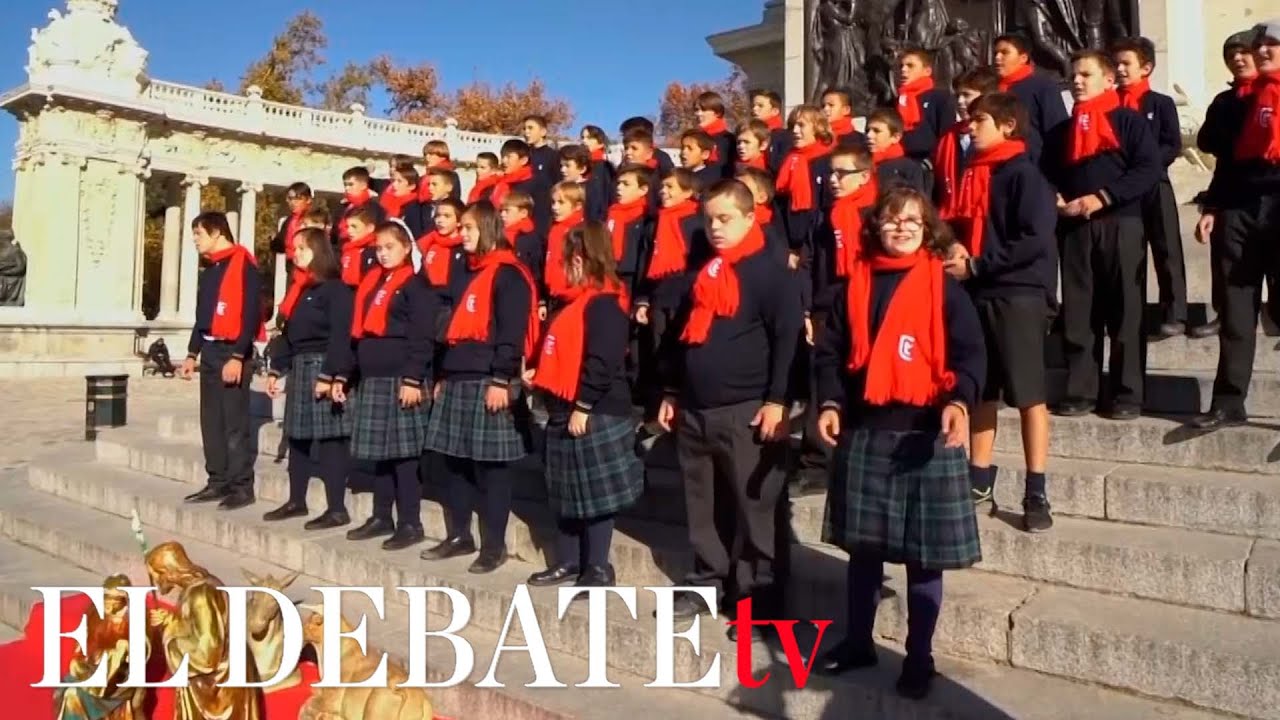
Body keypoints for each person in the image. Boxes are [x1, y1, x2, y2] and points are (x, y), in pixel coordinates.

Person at [811, 187, 986, 701]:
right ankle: (860, 641)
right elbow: (830, 354)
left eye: (912, 220)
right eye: (891, 220)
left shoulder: (946, 289)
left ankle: (919, 657)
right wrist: (830, 404)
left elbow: (972, 354)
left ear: (927, 228)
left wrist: (958, 402)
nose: (902, 227)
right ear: (875, 227)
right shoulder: (853, 286)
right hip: (866, 432)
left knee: (922, 559)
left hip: (924, 437)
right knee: (862, 553)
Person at [656, 179, 803, 623]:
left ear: (750, 216)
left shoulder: (772, 271)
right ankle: (707, 580)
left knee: (757, 508)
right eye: (709, 220)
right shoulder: (706, 273)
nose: (716, 228)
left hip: (748, 410)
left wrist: (778, 401)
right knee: (703, 505)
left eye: (726, 219)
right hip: (697, 410)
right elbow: (683, 339)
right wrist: (671, 392)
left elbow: (788, 338)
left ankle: (760, 596)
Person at [941, 92, 1057, 530]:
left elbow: (1034, 238)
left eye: (981, 120)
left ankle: (1036, 489)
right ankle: (979, 478)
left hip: (1019, 293)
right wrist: (955, 246)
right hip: (977, 291)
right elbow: (962, 224)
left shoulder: (1023, 174)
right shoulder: (972, 174)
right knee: (981, 391)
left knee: (1029, 394)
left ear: (1008, 125)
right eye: (970, 120)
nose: (971, 127)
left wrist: (978, 263)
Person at [421, 201, 540, 574]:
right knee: (455, 463)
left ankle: (494, 544)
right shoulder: (463, 271)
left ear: (488, 229)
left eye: (470, 228)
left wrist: (502, 379)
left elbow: (511, 333)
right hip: (457, 374)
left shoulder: (509, 275)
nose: (463, 234)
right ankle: (460, 535)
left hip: (490, 379)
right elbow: (451, 327)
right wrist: (442, 374)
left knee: (493, 469)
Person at [1043, 50, 1160, 420]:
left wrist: (1103, 198)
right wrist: (1056, 198)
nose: (1076, 81)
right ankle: (1081, 390)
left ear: (1108, 80)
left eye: (1085, 75)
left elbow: (1148, 169)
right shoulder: (1062, 131)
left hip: (1121, 224)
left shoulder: (1129, 122)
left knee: (1125, 309)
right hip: (1076, 228)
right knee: (1079, 312)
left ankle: (1127, 393)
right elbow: (1045, 172)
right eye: (1073, 75)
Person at [527, 222, 643, 589]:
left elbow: (603, 360)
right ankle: (568, 561)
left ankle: (597, 567)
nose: (564, 267)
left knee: (594, 496)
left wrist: (584, 404)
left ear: (581, 259)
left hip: (595, 409)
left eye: (568, 261)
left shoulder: (605, 304)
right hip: (564, 407)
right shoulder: (573, 302)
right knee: (565, 491)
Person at [1194, 21, 1280, 430]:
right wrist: (1214, 205)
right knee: (1236, 308)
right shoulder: (1233, 102)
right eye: (1257, 45)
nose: (1260, 52)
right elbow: (1221, 155)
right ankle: (1228, 402)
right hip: (1240, 207)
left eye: (1269, 45)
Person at [333, 221, 439, 549]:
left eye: (389, 247)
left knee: (404, 456)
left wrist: (412, 378)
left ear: (406, 248)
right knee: (381, 453)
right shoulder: (373, 283)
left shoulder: (417, 286)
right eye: (378, 248)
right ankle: (381, 516)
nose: (382, 254)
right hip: (373, 378)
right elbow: (358, 334)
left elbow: (422, 337)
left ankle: (410, 522)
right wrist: (344, 375)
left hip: (401, 379)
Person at [265, 227, 356, 529]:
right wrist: (277, 369)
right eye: (295, 249)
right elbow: (290, 336)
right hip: (301, 366)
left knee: (330, 440)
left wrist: (330, 374)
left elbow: (341, 336)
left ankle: (336, 508)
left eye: (302, 248)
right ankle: (296, 501)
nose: (296, 254)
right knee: (298, 437)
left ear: (319, 251)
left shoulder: (336, 290)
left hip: (323, 366)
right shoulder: (302, 290)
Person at [180, 212, 262, 510]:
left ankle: (241, 485)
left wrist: (239, 355)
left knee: (233, 423)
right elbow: (202, 316)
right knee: (210, 421)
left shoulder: (245, 266)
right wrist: (192, 353)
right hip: (211, 352)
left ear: (216, 232)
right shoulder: (210, 270)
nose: (195, 240)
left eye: (199, 234)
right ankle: (217, 480)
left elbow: (251, 314)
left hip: (233, 352)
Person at [1113, 36, 1189, 340]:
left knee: (1167, 248)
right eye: (1116, 63)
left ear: (1146, 67)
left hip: (1154, 185)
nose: (1120, 69)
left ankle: (1175, 313)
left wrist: (1145, 168)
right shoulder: (1108, 105)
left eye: (1126, 63)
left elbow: (1172, 144)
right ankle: (1127, 317)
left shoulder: (1160, 103)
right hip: (1120, 189)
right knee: (1126, 256)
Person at [1192, 30, 1260, 341]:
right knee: (1226, 263)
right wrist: (1212, 207)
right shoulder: (1224, 101)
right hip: (1233, 194)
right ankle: (1226, 315)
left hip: (1271, 199)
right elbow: (1209, 144)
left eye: (1243, 52)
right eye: (1231, 54)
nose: (1237, 59)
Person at [146, 542, 264, 719]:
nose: (155, 580)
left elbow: (207, 655)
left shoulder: (200, 595)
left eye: (156, 574)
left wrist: (171, 632)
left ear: (168, 572)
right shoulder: (203, 584)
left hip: (218, 687)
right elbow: (200, 627)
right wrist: (173, 620)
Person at [776, 104, 836, 276]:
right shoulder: (789, 161)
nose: (794, 131)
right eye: (792, 126)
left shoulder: (829, 161)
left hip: (819, 243)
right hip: (792, 244)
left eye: (801, 125)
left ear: (818, 127)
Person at [994, 33, 1071, 163]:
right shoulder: (993, 90)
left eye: (1004, 53)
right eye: (996, 53)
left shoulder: (1042, 86)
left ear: (1023, 57)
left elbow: (1057, 132)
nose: (997, 58)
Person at [935, 67, 1002, 217]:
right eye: (958, 95)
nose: (960, 101)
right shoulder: (948, 137)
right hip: (952, 216)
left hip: (986, 215)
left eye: (966, 95)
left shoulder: (1001, 136)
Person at [897, 46, 959, 170]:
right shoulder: (898, 100)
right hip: (900, 161)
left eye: (910, 66)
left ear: (927, 71)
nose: (903, 70)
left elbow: (946, 134)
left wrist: (931, 161)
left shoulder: (940, 98)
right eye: (901, 66)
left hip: (927, 165)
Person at [492, 139, 552, 234]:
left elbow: (542, 217)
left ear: (523, 160)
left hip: (524, 236)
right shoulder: (502, 183)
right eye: (503, 156)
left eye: (509, 157)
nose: (504, 161)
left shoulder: (537, 183)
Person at [545, 181, 588, 312]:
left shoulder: (582, 231)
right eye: (553, 202)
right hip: (554, 294)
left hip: (574, 295)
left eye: (561, 203)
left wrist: (575, 291)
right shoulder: (555, 229)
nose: (555, 207)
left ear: (577, 206)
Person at [867, 107, 929, 194]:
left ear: (895, 137)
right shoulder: (861, 161)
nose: (869, 135)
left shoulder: (908, 168)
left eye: (876, 131)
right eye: (867, 130)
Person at [417, 198, 467, 303]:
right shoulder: (429, 243)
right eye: (438, 216)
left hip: (449, 303)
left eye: (447, 216)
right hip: (426, 299)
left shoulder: (463, 247)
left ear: (459, 221)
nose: (440, 220)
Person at [332, 167, 385, 250]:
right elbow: (334, 234)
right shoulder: (343, 207)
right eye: (345, 185)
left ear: (364, 185)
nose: (347, 188)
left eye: (351, 184)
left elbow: (378, 233)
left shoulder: (374, 208)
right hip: (341, 250)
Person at [269, 182, 314, 276]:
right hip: (292, 266)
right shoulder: (289, 221)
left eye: (298, 198)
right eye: (290, 198)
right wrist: (274, 241)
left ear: (308, 200)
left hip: (311, 267)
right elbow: (281, 246)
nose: (293, 202)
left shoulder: (314, 218)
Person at [560, 144, 611, 222]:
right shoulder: (560, 188)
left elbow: (595, 217)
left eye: (567, 166)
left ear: (582, 169)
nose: (562, 170)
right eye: (561, 165)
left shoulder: (590, 190)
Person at [501, 190, 544, 281]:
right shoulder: (499, 234)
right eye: (501, 210)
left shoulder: (531, 238)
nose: (502, 215)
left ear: (523, 213)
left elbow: (536, 269)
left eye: (507, 211)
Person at [750, 88, 794, 175]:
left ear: (775, 111)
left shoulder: (783, 137)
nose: (754, 109)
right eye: (753, 106)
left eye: (760, 106)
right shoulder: (748, 133)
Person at [695, 90, 737, 178]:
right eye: (697, 110)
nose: (698, 114)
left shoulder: (728, 139)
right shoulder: (696, 138)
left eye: (703, 110)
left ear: (717, 113)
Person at [380, 162, 427, 239]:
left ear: (411, 186)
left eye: (399, 181)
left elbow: (414, 235)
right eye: (393, 181)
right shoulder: (386, 201)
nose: (394, 185)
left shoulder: (413, 208)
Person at [338, 206, 382, 288]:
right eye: (347, 226)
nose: (349, 231)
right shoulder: (346, 250)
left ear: (370, 228)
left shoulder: (374, 252)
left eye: (354, 226)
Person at [523, 114, 562, 185]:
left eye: (530, 128)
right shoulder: (524, 154)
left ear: (543, 132)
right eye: (524, 128)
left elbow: (558, 181)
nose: (526, 132)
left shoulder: (553, 156)